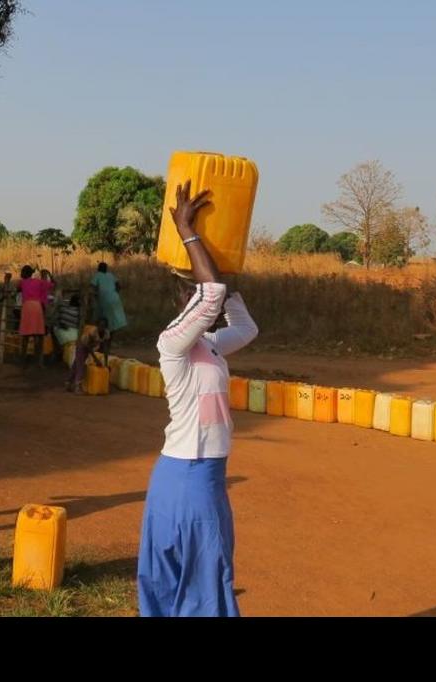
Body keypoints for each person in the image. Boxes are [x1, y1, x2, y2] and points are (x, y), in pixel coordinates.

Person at [137, 181, 259, 617]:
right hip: (188, 474)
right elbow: (209, 296)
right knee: (202, 579)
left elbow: (246, 329)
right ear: (181, 299)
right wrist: (188, 231)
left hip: (202, 473)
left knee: (197, 576)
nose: (207, 290)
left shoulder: (209, 344)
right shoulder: (172, 344)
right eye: (195, 286)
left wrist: (228, 280)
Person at [17, 265, 54, 368]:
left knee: (25, 336)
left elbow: (17, 289)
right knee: (38, 336)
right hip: (37, 307)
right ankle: (38, 362)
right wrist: (50, 276)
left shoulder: (22, 283)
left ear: (25, 273)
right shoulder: (38, 282)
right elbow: (52, 285)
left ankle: (22, 362)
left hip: (27, 308)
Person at [90, 261, 127, 357]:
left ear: (98, 269)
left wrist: (97, 295)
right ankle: (107, 347)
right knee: (113, 325)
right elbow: (119, 286)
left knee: (104, 324)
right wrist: (113, 293)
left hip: (105, 301)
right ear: (106, 269)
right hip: (115, 299)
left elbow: (92, 288)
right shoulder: (110, 275)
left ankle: (103, 348)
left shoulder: (97, 275)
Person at [66, 317, 109, 393]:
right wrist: (96, 359)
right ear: (97, 325)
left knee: (76, 364)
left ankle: (68, 383)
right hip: (82, 345)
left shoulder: (106, 333)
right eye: (100, 326)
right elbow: (88, 346)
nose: (102, 328)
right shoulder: (93, 332)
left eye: (104, 326)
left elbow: (105, 348)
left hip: (90, 347)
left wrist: (106, 363)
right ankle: (77, 386)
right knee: (80, 365)